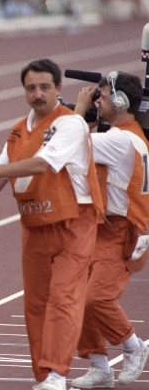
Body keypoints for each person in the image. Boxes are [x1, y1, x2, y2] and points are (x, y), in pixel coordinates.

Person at [0, 59, 103, 390]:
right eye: (31, 88)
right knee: (36, 304)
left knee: (63, 299)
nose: (38, 94)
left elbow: (42, 165)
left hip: (73, 223)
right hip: (35, 224)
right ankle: (44, 376)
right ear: (24, 90)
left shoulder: (70, 124)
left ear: (58, 89)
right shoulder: (18, 130)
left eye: (44, 87)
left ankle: (56, 373)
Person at [69, 71, 149, 388]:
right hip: (104, 227)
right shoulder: (130, 135)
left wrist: (77, 109)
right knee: (76, 296)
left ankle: (134, 346)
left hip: (120, 231)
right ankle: (99, 366)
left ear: (120, 101)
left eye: (102, 96)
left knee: (95, 299)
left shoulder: (117, 139)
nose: (97, 101)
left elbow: (69, 144)